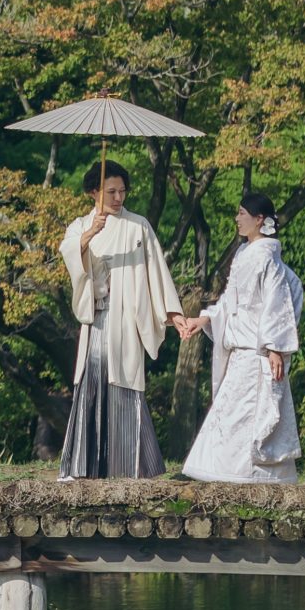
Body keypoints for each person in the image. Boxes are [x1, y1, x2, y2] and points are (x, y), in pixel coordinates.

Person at [58, 159, 186, 479]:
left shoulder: (138, 226)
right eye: (111, 191)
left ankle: (132, 466)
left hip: (126, 316)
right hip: (98, 318)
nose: (118, 198)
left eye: (122, 191)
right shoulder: (80, 226)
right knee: (92, 382)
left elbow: (157, 270)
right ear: (93, 193)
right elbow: (69, 252)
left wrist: (173, 312)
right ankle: (83, 466)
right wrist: (89, 235)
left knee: (126, 383)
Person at [178, 190, 305, 484]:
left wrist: (274, 347)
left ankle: (250, 474)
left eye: (242, 214)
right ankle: (223, 470)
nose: (237, 219)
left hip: (255, 350)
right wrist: (204, 318)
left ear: (259, 220)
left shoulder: (267, 257)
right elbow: (230, 301)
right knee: (228, 414)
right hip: (240, 350)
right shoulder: (243, 253)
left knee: (247, 414)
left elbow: (277, 302)